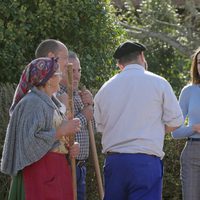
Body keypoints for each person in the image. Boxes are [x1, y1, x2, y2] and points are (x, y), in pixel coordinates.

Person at [94, 41, 184, 200]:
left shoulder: (105, 88)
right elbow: (176, 121)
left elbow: (100, 127)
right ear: (142, 56)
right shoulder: (159, 82)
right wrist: (155, 130)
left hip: (115, 161)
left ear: (119, 64)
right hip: (145, 161)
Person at [0, 57, 81, 200]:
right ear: (48, 79)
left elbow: (53, 138)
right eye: (58, 74)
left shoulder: (49, 102)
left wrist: (69, 147)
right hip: (39, 173)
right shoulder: (32, 103)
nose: (61, 76)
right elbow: (28, 143)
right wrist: (61, 131)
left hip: (53, 171)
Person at [57, 51, 93, 200]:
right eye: (71, 71)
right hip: (67, 164)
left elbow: (93, 126)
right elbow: (64, 126)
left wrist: (90, 104)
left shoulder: (79, 94)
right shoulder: (59, 95)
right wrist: (85, 115)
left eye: (79, 70)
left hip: (80, 167)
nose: (77, 75)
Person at [172, 47, 200, 200]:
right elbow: (175, 132)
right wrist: (194, 128)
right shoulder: (188, 91)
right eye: (199, 62)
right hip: (192, 154)